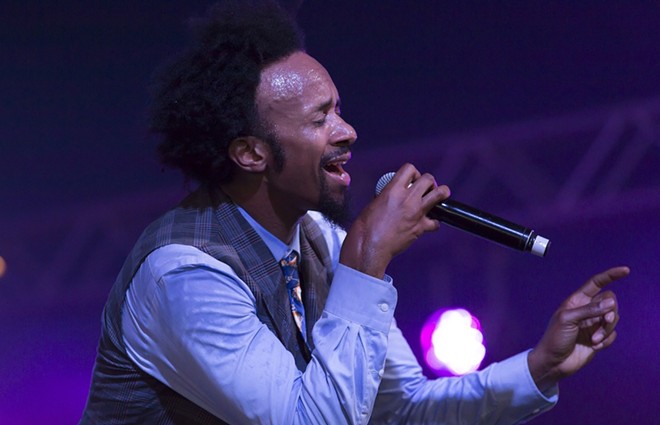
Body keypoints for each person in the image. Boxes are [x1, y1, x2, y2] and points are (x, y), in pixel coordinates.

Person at [80, 1, 629, 424]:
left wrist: (539, 368)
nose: (347, 132)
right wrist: (365, 262)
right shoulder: (186, 273)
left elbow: (400, 409)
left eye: (338, 110)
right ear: (251, 153)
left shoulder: (317, 238)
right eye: (321, 119)